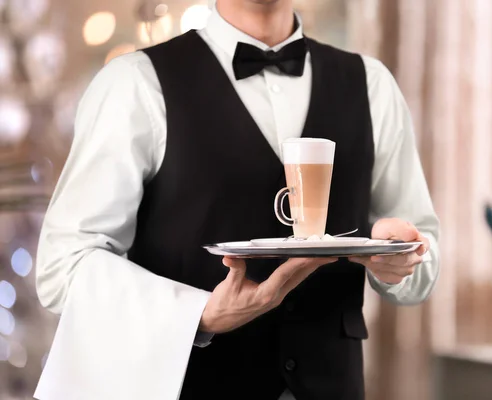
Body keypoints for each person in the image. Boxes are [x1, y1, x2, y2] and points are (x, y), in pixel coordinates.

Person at [34, 1, 440, 399]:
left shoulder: (372, 84)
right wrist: (197, 314)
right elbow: (63, 267)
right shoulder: (134, 83)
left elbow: (424, 253)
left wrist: (403, 256)